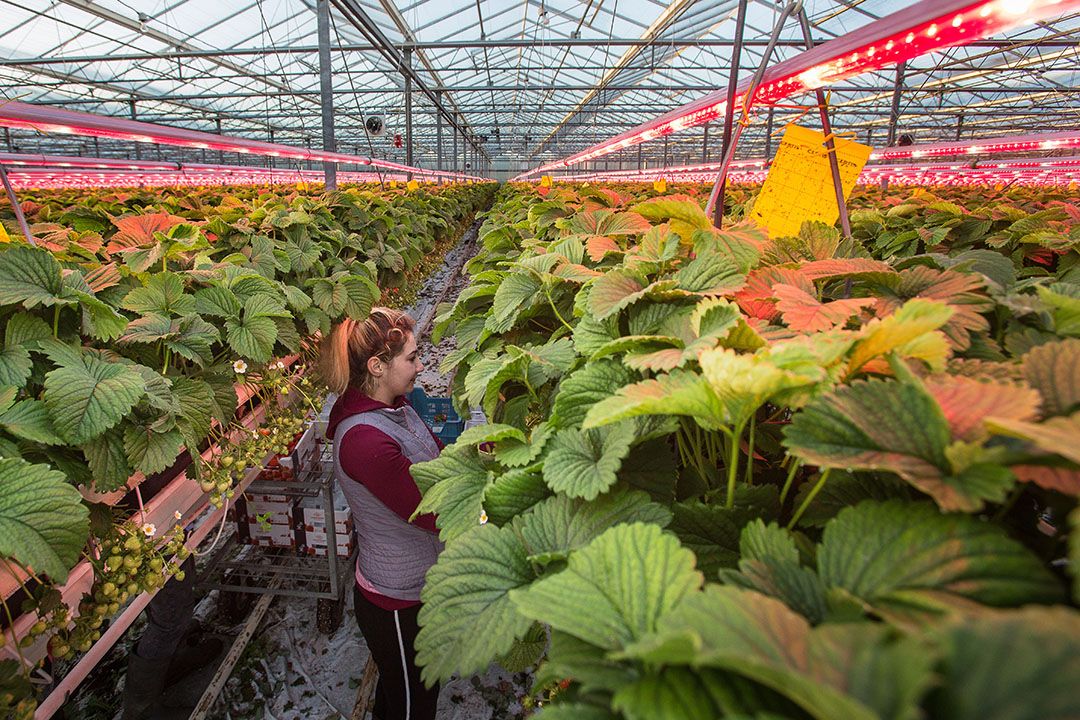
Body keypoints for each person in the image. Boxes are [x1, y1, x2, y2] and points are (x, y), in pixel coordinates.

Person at [322, 308, 443, 720]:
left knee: (400, 696)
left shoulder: (396, 408)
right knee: (415, 705)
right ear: (377, 366)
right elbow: (435, 512)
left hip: (417, 585)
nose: (420, 365)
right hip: (396, 604)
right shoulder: (364, 442)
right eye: (411, 357)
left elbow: (436, 465)